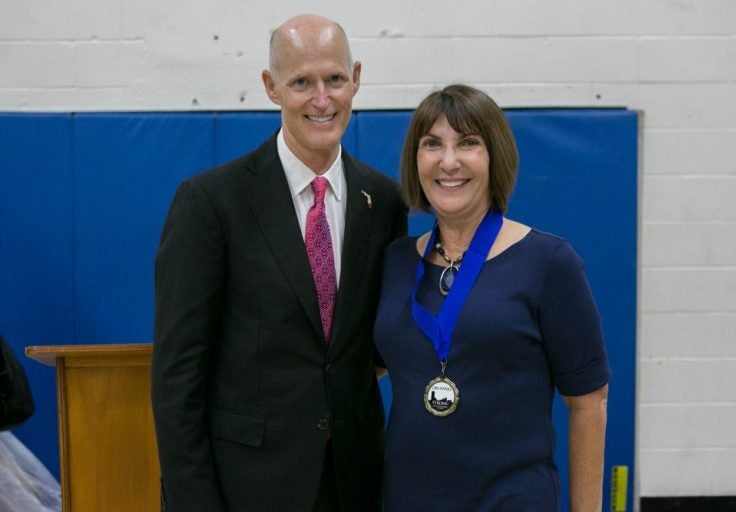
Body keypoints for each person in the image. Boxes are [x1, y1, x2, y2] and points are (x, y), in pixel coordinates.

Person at [151, 14, 407, 512]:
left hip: (356, 483)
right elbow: (177, 377)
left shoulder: (385, 200)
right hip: (246, 487)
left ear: (356, 77)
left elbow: (375, 346)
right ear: (271, 87)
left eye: (334, 79)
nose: (322, 98)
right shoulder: (210, 203)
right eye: (301, 82)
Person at [373, 84, 610, 511]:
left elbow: (589, 402)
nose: (448, 161)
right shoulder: (394, 262)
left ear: (494, 156)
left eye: (468, 143)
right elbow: (365, 367)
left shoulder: (548, 262)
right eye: (432, 144)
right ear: (415, 160)